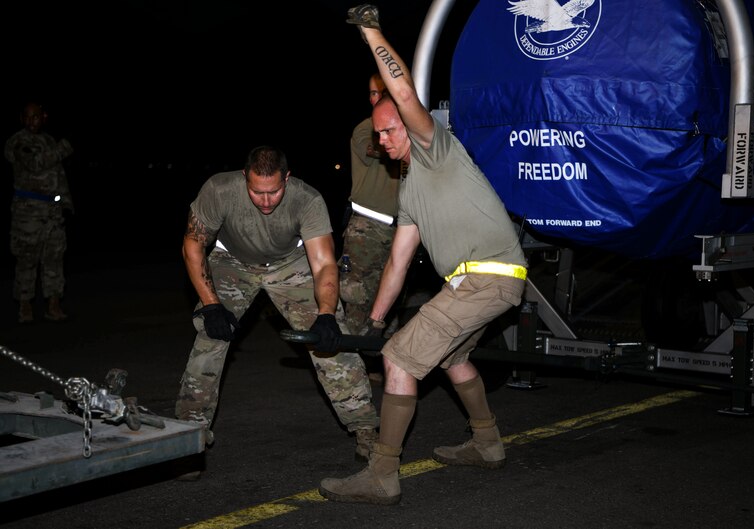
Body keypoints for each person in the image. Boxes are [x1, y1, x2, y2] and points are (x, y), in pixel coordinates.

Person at [318, 5, 528, 505]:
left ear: (411, 127)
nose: (383, 140)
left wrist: (371, 31)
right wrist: (373, 319)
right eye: (378, 133)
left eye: (389, 130)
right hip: (479, 283)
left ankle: (382, 473)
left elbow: (405, 92)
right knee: (453, 358)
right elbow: (396, 262)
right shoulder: (411, 191)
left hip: (485, 278)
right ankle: (488, 443)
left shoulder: (436, 149)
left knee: (399, 359)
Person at [175, 145, 379, 476]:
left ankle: (367, 431)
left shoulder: (307, 199)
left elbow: (324, 263)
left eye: (274, 192)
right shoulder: (219, 190)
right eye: (257, 192)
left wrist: (326, 313)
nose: (266, 202)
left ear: (287, 178)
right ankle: (187, 441)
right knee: (210, 338)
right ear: (245, 179)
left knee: (330, 339)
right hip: (232, 262)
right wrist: (212, 305)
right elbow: (192, 245)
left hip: (289, 264)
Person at [341, 72, 401, 381]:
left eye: (380, 92)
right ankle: (352, 374)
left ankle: (383, 364)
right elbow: (373, 148)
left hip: (399, 229)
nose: (374, 98)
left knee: (388, 301)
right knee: (357, 300)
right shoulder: (367, 129)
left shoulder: (405, 130)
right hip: (367, 228)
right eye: (371, 93)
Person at [4, 101, 74, 324]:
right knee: (27, 258)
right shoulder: (18, 141)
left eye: (36, 117)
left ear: (43, 117)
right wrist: (62, 149)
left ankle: (53, 305)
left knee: (54, 258)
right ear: (22, 118)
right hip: (28, 212)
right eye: (27, 116)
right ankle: (25, 307)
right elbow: (35, 164)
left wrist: (65, 201)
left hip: (52, 211)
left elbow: (57, 175)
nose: (31, 121)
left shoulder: (48, 141)